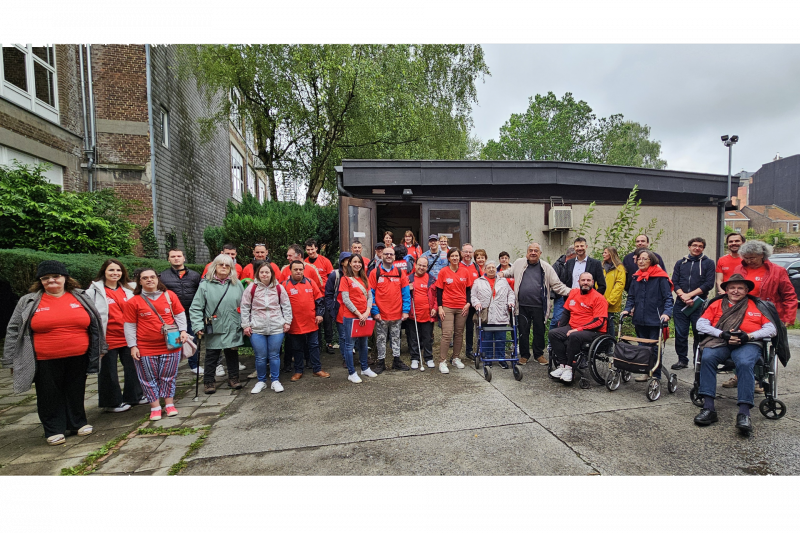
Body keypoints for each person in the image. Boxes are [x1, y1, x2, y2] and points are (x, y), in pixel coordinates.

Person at [3, 261, 104, 445]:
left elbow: (96, 324)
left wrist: (100, 349)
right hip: (44, 358)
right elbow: (13, 329)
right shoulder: (29, 300)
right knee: (49, 394)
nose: (51, 281)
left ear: (65, 278)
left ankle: (77, 423)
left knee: (75, 390)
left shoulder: (80, 296)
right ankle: (54, 429)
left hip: (78, 355)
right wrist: (10, 360)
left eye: (55, 276)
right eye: (45, 278)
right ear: (40, 281)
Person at [693, 274, 777, 435]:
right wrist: (722, 334)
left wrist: (749, 336)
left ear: (746, 290)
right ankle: (708, 408)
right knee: (708, 357)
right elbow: (701, 324)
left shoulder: (757, 305)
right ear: (726, 290)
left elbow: (771, 329)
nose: (736, 291)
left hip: (748, 342)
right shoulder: (716, 304)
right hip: (721, 341)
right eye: (732, 288)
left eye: (740, 288)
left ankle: (744, 413)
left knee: (745, 363)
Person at [124, 268, 189, 421]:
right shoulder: (133, 301)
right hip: (145, 346)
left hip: (173, 341)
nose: (149, 280)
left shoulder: (169, 295)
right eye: (145, 278)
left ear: (157, 279)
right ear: (139, 281)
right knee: (147, 377)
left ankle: (169, 405)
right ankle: (155, 407)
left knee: (168, 375)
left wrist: (184, 331)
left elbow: (179, 315)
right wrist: (133, 345)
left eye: (152, 277)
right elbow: (129, 325)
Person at [86, 259, 145, 412]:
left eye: (118, 270)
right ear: (104, 272)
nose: (115, 273)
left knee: (133, 367)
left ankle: (134, 396)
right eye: (111, 270)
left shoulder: (130, 288)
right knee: (108, 371)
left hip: (128, 336)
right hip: (108, 337)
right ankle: (111, 403)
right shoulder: (93, 291)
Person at [499, 242, 570, 366]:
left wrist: (572, 292)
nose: (533, 252)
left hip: (539, 306)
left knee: (539, 331)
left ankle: (539, 355)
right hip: (522, 306)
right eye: (530, 250)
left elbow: (557, 285)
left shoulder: (546, 267)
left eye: (536, 251)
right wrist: (501, 274)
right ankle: (524, 355)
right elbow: (509, 272)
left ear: (540, 253)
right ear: (527, 252)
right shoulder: (519, 263)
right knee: (523, 331)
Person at [190, 254, 245, 394]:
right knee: (212, 355)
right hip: (214, 325)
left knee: (232, 354)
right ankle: (209, 381)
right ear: (215, 266)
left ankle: (233, 378)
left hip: (233, 324)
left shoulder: (237, 284)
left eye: (227, 265)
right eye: (221, 264)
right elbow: (196, 308)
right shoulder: (205, 285)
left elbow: (245, 305)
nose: (224, 267)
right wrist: (197, 326)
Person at [621, 250, 674, 382]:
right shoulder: (636, 277)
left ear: (652, 261)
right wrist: (627, 309)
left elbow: (668, 298)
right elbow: (631, 297)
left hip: (655, 319)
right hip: (640, 318)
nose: (641, 261)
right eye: (639, 259)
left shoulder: (660, 277)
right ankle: (645, 371)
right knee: (642, 347)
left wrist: (667, 313)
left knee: (654, 348)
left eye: (645, 259)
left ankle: (656, 375)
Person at [240, 261, 292, 394]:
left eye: (267, 272)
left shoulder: (279, 288)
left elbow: (286, 305)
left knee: (274, 355)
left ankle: (275, 380)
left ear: (271, 274)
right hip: (257, 327)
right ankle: (261, 381)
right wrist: (245, 325)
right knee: (260, 356)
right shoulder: (251, 288)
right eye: (262, 272)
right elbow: (245, 307)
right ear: (258, 274)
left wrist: (287, 322)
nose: (264, 274)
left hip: (276, 327)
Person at [549, 273, 608, 383]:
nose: (585, 282)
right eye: (583, 280)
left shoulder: (599, 298)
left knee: (574, 336)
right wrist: (561, 328)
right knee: (553, 333)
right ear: (579, 282)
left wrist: (578, 329)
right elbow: (566, 312)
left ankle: (570, 368)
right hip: (573, 327)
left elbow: (599, 321)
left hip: (593, 331)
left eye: (588, 280)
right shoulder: (574, 293)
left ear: (593, 282)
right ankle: (562, 365)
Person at [671, 237, 716, 370]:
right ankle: (682, 360)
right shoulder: (680, 263)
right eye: (694, 245)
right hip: (680, 303)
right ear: (689, 247)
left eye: (700, 246)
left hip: (699, 303)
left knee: (699, 333)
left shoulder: (709, 263)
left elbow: (708, 284)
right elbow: (675, 281)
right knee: (680, 333)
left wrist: (690, 295)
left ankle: (698, 361)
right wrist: (683, 296)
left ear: (703, 248)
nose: (697, 248)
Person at [282, 260, 330, 381]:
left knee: (314, 346)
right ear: (290, 270)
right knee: (297, 348)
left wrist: (319, 314)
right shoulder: (284, 285)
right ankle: (298, 371)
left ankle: (317, 369)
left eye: (300, 269)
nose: (298, 271)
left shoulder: (310, 282)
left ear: (303, 270)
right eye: (295, 269)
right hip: (294, 324)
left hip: (312, 322)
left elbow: (319, 300)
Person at [160, 248, 203, 375]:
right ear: (168, 259)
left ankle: (194, 365)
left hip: (190, 314)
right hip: (172, 317)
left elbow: (200, 294)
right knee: (175, 342)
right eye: (173, 256)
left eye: (179, 256)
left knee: (192, 339)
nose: (176, 258)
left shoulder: (194, 275)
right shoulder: (163, 276)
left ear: (184, 258)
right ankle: (173, 366)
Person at [733, 240, 797, 326]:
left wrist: (789, 317)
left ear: (762, 255)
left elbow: (789, 295)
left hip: (769, 314)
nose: (748, 261)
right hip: (743, 313)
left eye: (752, 258)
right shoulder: (738, 269)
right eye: (746, 258)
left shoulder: (778, 271)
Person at [369, 245, 411, 373]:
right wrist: (374, 311)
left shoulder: (400, 273)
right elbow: (370, 294)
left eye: (391, 254)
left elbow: (406, 293)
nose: (388, 256)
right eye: (386, 254)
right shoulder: (374, 273)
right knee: (381, 339)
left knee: (396, 338)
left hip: (397, 313)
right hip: (381, 315)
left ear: (394, 257)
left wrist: (405, 310)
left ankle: (396, 361)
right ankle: (381, 363)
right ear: (381, 256)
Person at [338, 254, 379, 383]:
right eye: (354, 262)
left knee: (363, 344)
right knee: (349, 345)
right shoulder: (345, 279)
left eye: (359, 262)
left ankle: (365, 368)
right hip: (351, 317)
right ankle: (351, 372)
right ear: (350, 263)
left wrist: (367, 312)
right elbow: (346, 299)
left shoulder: (364, 278)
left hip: (365, 316)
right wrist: (358, 314)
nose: (357, 264)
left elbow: (369, 296)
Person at [471, 260, 515, 369]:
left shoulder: (503, 281)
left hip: (501, 314)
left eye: (493, 267)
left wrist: (511, 302)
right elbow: (473, 296)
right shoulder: (478, 281)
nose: (491, 269)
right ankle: (488, 359)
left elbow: (511, 293)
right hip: (486, 315)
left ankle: (501, 359)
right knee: (487, 338)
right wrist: (477, 304)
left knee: (501, 339)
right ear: (484, 269)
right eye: (489, 267)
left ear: (496, 269)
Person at [435, 247, 473, 373]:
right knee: (447, 334)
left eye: (457, 256)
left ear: (459, 257)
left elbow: (468, 289)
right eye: (452, 256)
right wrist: (440, 307)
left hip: (462, 307)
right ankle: (442, 361)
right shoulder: (443, 272)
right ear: (449, 258)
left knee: (459, 333)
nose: (455, 258)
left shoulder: (465, 271)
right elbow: (439, 291)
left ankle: (455, 358)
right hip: (447, 307)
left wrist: (468, 303)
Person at [305, 239, 335, 354]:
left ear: (316, 248)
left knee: (327, 321)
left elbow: (331, 278)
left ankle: (329, 343)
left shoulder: (325, 261)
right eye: (308, 250)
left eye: (312, 249)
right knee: (315, 321)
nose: (310, 251)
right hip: (311, 296)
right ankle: (317, 344)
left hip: (324, 295)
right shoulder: (305, 263)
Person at [408, 255, 438, 369]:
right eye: (419, 265)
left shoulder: (432, 279)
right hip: (413, 314)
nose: (421, 267)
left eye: (424, 266)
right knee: (413, 338)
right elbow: (404, 296)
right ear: (415, 265)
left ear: (427, 267)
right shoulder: (408, 279)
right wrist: (408, 288)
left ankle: (428, 357)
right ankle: (415, 358)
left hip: (428, 314)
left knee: (427, 338)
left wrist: (435, 308)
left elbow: (436, 296)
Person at [326, 252, 352, 366]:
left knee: (355, 335)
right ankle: (346, 358)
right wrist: (331, 309)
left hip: (355, 309)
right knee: (343, 336)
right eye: (347, 260)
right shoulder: (335, 275)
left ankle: (355, 357)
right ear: (342, 262)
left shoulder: (356, 274)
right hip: (340, 309)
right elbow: (328, 293)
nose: (350, 262)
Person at [460, 243, 481, 358]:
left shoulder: (476, 267)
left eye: (470, 252)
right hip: (460, 303)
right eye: (465, 252)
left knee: (470, 328)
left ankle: (469, 351)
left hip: (473, 303)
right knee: (458, 329)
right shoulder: (457, 265)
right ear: (461, 253)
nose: (467, 254)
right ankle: (455, 354)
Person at [602, 246, 626, 336]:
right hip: (600, 300)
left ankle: (610, 344)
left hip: (610, 301)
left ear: (611, 254)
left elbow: (619, 285)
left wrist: (610, 300)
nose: (603, 254)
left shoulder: (619, 268)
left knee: (609, 323)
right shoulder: (602, 266)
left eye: (605, 252)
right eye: (603, 253)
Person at [549, 245, 576, 328]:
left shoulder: (576, 265)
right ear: (571, 255)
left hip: (574, 295)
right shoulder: (558, 265)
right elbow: (552, 281)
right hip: (561, 296)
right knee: (557, 318)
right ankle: (551, 339)